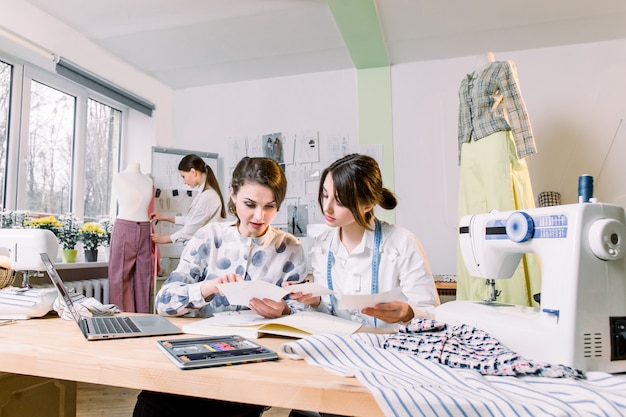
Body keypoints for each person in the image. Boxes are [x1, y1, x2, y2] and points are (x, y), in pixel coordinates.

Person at [133, 156, 308, 417]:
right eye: (250, 204)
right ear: (233, 195)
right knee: (151, 407)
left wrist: (284, 311)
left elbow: (306, 312)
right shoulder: (209, 236)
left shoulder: (290, 248)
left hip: (252, 368)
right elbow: (164, 302)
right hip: (195, 359)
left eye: (269, 207)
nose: (259, 216)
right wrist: (207, 288)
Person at [288, 153, 440, 328]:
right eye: (325, 195)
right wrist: (315, 302)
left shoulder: (401, 243)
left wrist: (407, 313)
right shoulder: (322, 245)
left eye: (339, 201)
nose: (327, 208)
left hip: (391, 346)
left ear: (367, 205)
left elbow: (432, 313)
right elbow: (329, 315)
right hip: (342, 344)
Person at [456, 52, 541, 306]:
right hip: (470, 146)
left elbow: (515, 103)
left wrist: (524, 148)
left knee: (503, 212)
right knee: (470, 219)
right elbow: (462, 121)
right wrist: (462, 153)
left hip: (495, 140)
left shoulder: (502, 68)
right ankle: (474, 296)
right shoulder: (465, 80)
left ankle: (518, 295)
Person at [149, 154, 226, 244]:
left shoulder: (208, 197)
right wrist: (164, 217)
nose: (184, 182)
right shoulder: (205, 194)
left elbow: (191, 229)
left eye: (183, 176)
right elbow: (191, 220)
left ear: (193, 172)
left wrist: (165, 239)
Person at [108, 162, 153, 313]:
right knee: (119, 279)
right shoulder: (119, 177)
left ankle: (143, 320)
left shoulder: (148, 180)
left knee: (143, 279)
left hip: (145, 228)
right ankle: (122, 321)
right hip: (124, 228)